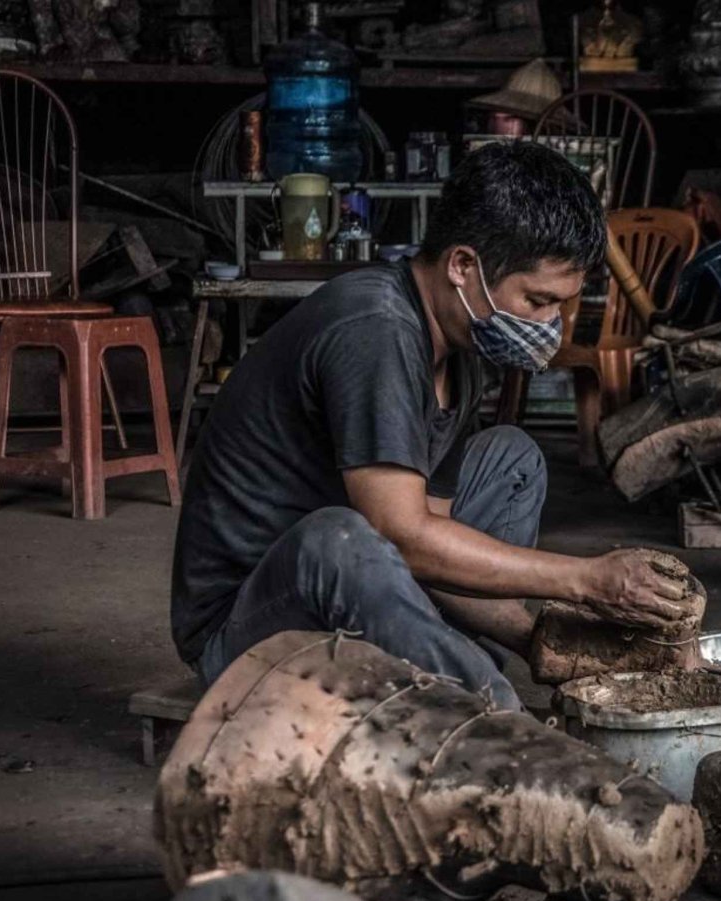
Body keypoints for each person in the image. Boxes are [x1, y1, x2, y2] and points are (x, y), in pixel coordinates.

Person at [170, 141, 688, 710]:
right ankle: (481, 704)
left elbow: (433, 547)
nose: (551, 326)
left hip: (358, 585)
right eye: (539, 300)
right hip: (249, 626)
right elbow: (401, 537)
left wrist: (531, 638)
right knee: (342, 538)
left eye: (559, 306)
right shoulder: (377, 329)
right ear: (463, 266)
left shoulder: (461, 347)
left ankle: (451, 668)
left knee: (510, 458)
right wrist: (590, 580)